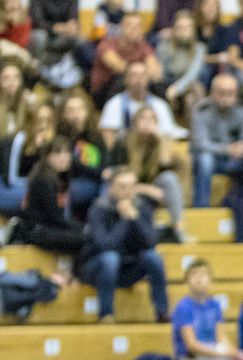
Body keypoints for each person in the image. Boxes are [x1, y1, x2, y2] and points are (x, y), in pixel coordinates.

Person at [83, 168, 169, 325]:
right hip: (99, 268)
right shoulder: (98, 208)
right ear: (111, 187)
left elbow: (151, 242)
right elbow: (105, 245)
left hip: (130, 266)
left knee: (154, 257)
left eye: (131, 186)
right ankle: (106, 315)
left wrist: (135, 218)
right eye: (122, 186)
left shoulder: (142, 207)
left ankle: (162, 312)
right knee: (111, 259)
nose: (127, 191)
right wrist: (123, 219)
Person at [190, 73, 243, 241]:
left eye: (231, 93)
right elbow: (201, 144)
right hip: (211, 158)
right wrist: (228, 149)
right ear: (213, 92)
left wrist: (242, 149)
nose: (227, 98)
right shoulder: (200, 109)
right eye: (223, 92)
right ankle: (201, 209)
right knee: (205, 159)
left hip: (234, 159)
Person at [109, 105, 188, 242]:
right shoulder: (123, 143)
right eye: (143, 118)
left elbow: (165, 168)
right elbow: (120, 179)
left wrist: (160, 142)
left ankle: (179, 229)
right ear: (134, 122)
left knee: (170, 178)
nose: (147, 123)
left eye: (152, 119)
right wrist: (147, 189)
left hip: (151, 192)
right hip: (127, 191)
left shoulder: (158, 143)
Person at [14, 137, 85, 257]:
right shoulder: (44, 179)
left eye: (67, 152)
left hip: (48, 227)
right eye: (57, 153)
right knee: (85, 238)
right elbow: (55, 217)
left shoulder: (56, 175)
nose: (64, 157)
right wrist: (82, 228)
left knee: (86, 234)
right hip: (39, 232)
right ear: (47, 156)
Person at [172, 260, 243, 360]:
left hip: (213, 356)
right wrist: (219, 352)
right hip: (189, 359)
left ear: (210, 279)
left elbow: (222, 338)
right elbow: (191, 345)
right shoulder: (184, 306)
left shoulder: (215, 305)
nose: (199, 279)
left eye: (203, 274)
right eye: (194, 274)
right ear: (187, 280)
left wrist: (237, 354)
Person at [98, 59, 177, 150]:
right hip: (124, 154)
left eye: (143, 75)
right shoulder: (114, 104)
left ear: (148, 78)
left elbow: (168, 136)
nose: (139, 79)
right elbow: (108, 137)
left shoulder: (160, 105)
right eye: (134, 75)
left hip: (154, 153)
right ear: (125, 79)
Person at [90, 13, 160, 107]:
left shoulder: (143, 46)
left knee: (155, 83)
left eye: (137, 26)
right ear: (121, 28)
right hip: (103, 91)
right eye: (129, 25)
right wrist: (142, 73)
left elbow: (155, 70)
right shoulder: (107, 44)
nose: (133, 29)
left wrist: (148, 73)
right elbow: (119, 67)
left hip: (131, 88)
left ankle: (161, 112)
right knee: (123, 77)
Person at [58, 92, 103, 220]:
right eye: (70, 110)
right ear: (63, 114)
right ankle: (64, 227)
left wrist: (75, 163)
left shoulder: (96, 137)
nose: (76, 114)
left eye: (79, 109)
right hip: (70, 182)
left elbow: (103, 170)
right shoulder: (60, 138)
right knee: (63, 186)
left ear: (87, 111)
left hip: (94, 182)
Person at [155, 9, 206, 117]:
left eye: (187, 28)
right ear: (174, 29)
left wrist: (177, 88)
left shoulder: (199, 48)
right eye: (180, 27)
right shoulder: (164, 45)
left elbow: (193, 74)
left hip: (186, 87)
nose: (183, 31)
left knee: (195, 92)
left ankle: (194, 132)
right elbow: (159, 71)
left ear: (193, 30)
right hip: (166, 86)